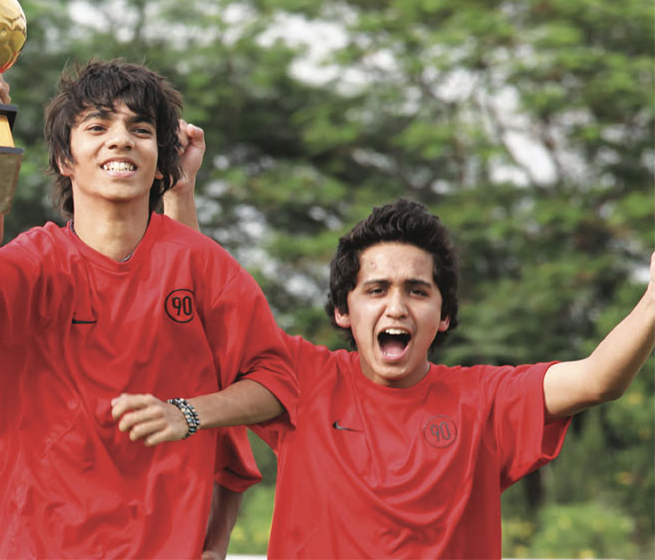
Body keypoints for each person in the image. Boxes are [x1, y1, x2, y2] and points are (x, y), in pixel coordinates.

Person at [118, 198, 655, 557]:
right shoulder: (302, 377)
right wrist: (182, 190)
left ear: (443, 316)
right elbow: (205, 310)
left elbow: (597, 381)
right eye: (376, 290)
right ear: (343, 311)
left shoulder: (484, 398)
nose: (396, 306)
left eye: (417, 291)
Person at [0, 59, 298, 557]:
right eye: (98, 126)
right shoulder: (38, 260)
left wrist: (187, 414)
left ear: (160, 158)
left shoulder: (202, 263)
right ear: (65, 158)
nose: (121, 140)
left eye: (140, 129)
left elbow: (277, 382)